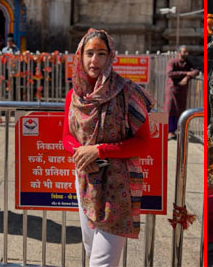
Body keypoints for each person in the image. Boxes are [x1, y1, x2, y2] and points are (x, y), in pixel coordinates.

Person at [61, 29, 153, 266]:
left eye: (101, 54)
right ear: (80, 56)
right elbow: (67, 136)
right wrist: (80, 152)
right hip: (86, 179)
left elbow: (143, 143)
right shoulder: (75, 95)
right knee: (91, 250)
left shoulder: (128, 93)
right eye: (89, 53)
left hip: (118, 183)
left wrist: (99, 150)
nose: (94, 61)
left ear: (111, 56)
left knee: (101, 262)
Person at [163, 45, 200, 139]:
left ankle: (176, 130)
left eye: (187, 52)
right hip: (172, 89)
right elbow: (170, 74)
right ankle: (170, 131)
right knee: (170, 110)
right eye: (184, 52)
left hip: (182, 90)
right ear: (179, 53)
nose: (186, 54)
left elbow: (196, 71)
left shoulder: (188, 63)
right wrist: (186, 73)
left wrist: (187, 78)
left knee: (179, 110)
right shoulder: (172, 62)